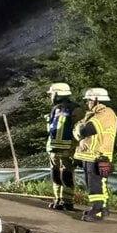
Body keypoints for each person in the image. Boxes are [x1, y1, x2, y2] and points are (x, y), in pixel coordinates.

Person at [73, 88, 117, 222]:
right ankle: (101, 208)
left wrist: (81, 130)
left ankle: (98, 210)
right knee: (93, 183)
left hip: (100, 155)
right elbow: (77, 130)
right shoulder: (91, 114)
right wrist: (80, 130)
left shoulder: (106, 113)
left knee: (96, 184)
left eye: (90, 100)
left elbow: (87, 129)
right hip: (90, 156)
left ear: (98, 100)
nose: (87, 102)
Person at [44, 82, 80, 210]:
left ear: (59, 94)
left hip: (68, 151)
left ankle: (68, 201)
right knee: (55, 175)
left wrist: (77, 152)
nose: (51, 96)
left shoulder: (76, 110)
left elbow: (79, 133)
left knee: (67, 175)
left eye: (52, 94)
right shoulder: (55, 109)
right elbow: (51, 131)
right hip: (54, 150)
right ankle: (58, 199)